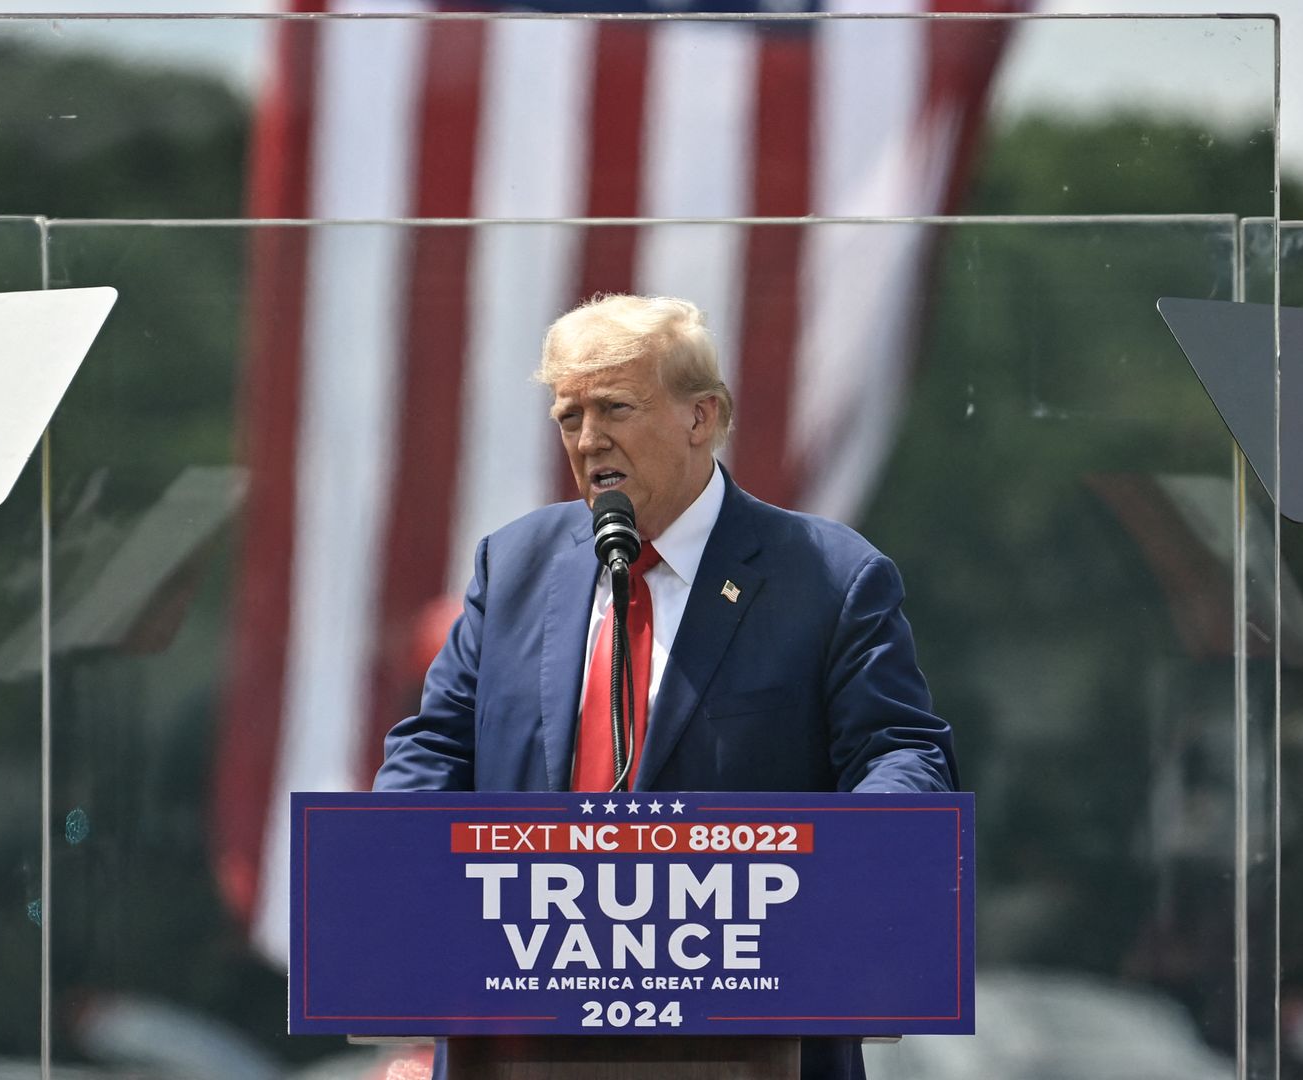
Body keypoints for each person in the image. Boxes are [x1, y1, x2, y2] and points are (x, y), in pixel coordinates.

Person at [375, 294, 956, 1080]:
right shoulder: (513, 565)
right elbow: (435, 743)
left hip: (747, 1032)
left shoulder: (826, 576)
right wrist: (399, 856)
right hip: (518, 1032)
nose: (587, 440)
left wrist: (834, 869)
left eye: (614, 407)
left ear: (701, 417)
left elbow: (901, 753)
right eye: (567, 415)